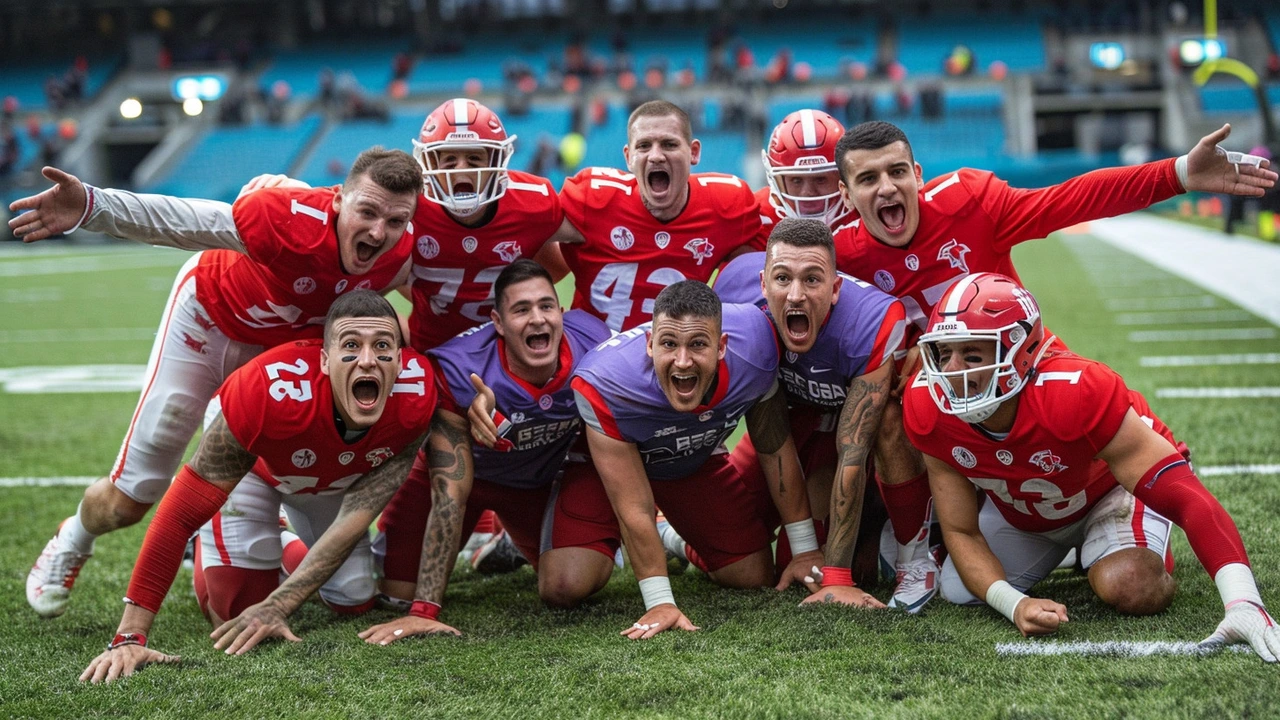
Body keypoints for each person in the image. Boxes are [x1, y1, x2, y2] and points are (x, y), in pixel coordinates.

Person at [830, 120, 1278, 612]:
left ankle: (1134, 505)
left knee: (1089, 482)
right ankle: (929, 552)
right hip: (948, 392)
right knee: (955, 563)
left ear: (917, 174)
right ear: (847, 196)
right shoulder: (840, 254)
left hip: (1019, 374)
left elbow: (1072, 200)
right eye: (868, 179)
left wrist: (1177, 174)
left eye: (897, 172)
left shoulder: (969, 203)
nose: (887, 187)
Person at [14, 148, 421, 618]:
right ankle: (72, 539)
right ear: (337, 201)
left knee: (299, 462)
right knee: (131, 496)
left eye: (394, 220)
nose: (377, 231)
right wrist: (90, 205)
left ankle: (265, 533)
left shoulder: (407, 250)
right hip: (207, 320)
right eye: (366, 212)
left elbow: (435, 310)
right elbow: (181, 220)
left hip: (282, 353)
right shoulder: (288, 218)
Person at [903, 273, 1279, 661]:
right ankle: (1077, 552)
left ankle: (1136, 545)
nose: (951, 370)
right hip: (1030, 513)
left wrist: (1243, 601)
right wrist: (1014, 605)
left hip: (1111, 492)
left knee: (1130, 584)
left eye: (972, 354)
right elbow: (961, 530)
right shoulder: (926, 408)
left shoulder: (1075, 391)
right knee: (960, 589)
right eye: (943, 354)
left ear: (1020, 351)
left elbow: (1186, 496)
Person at [79, 291, 437, 684]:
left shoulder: (416, 397)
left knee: (354, 599)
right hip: (254, 471)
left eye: (382, 347)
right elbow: (179, 513)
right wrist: (130, 635)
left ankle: (280, 544)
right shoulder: (266, 391)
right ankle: (224, 541)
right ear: (324, 359)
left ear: (401, 361)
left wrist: (280, 604)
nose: (368, 360)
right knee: (238, 614)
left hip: (332, 481)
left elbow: (359, 513)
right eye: (351, 346)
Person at [361, 260, 619, 641]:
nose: (538, 319)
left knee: (567, 587)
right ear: (498, 323)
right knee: (395, 595)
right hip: (469, 478)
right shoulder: (460, 369)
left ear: (561, 313)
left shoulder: (596, 343)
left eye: (546, 306)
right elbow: (451, 490)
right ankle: (497, 541)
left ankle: (519, 540)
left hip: (537, 484)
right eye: (521, 309)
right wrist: (425, 610)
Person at [571, 281, 820, 639]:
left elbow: (775, 450)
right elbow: (632, 507)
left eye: (698, 344)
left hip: (687, 461)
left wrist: (806, 551)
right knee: (566, 582)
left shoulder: (757, 347)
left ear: (722, 347)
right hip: (607, 470)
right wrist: (660, 602)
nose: (683, 361)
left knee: (751, 575)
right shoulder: (607, 380)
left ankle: (670, 536)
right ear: (649, 344)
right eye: (669, 344)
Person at [714, 218, 904, 608]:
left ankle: (908, 548)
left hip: (843, 430)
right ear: (763, 283)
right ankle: (676, 538)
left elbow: (853, 451)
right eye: (783, 279)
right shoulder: (735, 298)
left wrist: (837, 579)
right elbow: (765, 425)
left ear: (835, 289)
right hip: (786, 421)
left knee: (819, 567)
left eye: (812, 281)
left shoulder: (869, 321)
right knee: (733, 548)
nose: (796, 295)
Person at [545, 100, 765, 332]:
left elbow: (757, 268)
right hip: (593, 344)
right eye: (644, 146)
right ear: (629, 157)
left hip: (675, 350)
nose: (656, 156)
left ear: (694, 152)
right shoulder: (594, 197)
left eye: (669, 144)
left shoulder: (728, 204)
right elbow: (532, 234)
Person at [757, 110, 857, 235]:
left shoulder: (865, 214)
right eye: (796, 180)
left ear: (843, 178)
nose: (808, 192)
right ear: (776, 182)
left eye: (821, 179)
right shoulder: (755, 218)